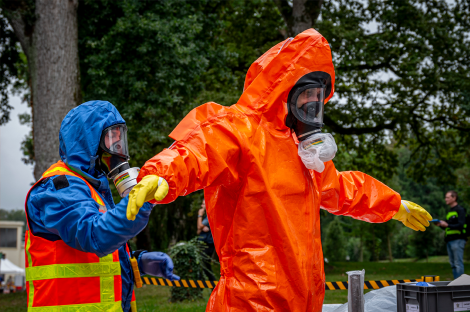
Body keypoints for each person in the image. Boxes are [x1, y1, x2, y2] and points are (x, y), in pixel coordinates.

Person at [126, 29, 432, 312]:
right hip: (250, 301)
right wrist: (161, 174)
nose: (313, 104)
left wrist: (394, 204)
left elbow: (339, 189)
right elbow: (196, 152)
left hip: (304, 300)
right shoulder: (239, 129)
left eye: (319, 97)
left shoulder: (304, 151)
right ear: (285, 88)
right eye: (308, 93)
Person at [24, 101, 179, 312]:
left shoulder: (90, 190)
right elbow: (94, 235)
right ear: (87, 141)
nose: (118, 150)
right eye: (111, 139)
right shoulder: (57, 188)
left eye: (120, 138)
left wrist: (137, 262)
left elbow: (93, 259)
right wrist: (141, 200)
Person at [437, 190, 467, 278]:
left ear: (454, 198)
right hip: (449, 240)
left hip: (458, 239)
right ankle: (455, 284)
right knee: (453, 264)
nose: (445, 199)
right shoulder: (450, 211)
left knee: (458, 263)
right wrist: (441, 225)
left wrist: (447, 224)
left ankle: (461, 285)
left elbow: (461, 225)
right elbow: (448, 226)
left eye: (447, 197)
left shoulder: (460, 210)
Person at [197, 199, 216, 282]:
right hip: (204, 243)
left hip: (208, 244)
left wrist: (199, 215)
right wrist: (201, 227)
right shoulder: (207, 216)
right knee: (204, 265)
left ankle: (211, 285)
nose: (202, 206)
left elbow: (199, 226)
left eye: (203, 204)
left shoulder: (210, 215)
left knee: (204, 265)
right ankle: (201, 287)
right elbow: (198, 231)